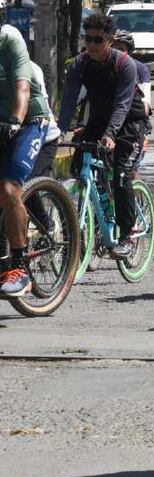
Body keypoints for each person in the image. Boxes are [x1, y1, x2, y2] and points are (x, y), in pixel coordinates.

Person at [58, 14, 151, 259]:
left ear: (110, 40)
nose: (91, 45)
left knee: (120, 173)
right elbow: (68, 101)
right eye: (87, 39)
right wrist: (60, 130)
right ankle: (95, 217)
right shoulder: (79, 64)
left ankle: (128, 234)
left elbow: (122, 105)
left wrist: (111, 134)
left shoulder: (125, 64)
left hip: (130, 122)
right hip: (99, 121)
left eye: (98, 39)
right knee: (80, 165)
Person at [0, 23, 50, 296]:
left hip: (28, 120)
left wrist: (15, 121)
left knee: (9, 189)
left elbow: (22, 88)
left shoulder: (10, 40)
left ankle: (19, 268)